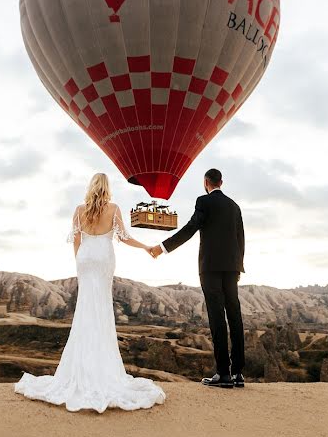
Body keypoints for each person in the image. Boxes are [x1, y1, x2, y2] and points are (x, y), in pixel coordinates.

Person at [14, 173, 166, 412]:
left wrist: (80, 261)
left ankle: (80, 369)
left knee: (85, 310)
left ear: (91, 188)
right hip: (104, 257)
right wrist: (146, 246)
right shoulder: (114, 208)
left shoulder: (78, 209)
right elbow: (124, 237)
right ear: (107, 189)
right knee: (102, 309)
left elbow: (76, 239)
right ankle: (101, 369)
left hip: (86, 258)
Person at [149, 168, 245, 388]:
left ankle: (223, 374)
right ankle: (238, 373)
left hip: (210, 267)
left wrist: (163, 247)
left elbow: (191, 228)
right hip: (232, 268)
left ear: (206, 182)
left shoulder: (204, 201)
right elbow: (241, 238)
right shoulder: (234, 206)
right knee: (235, 316)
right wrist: (238, 267)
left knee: (217, 317)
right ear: (222, 182)